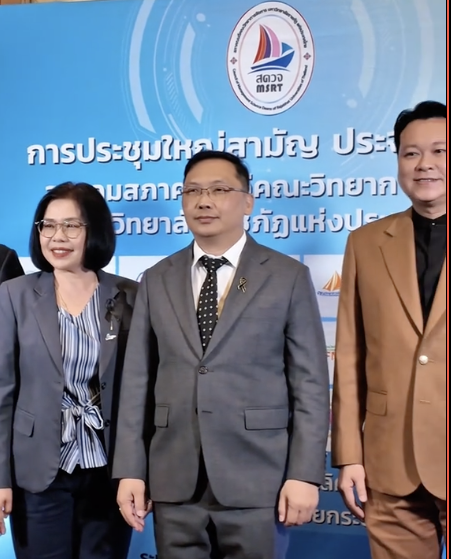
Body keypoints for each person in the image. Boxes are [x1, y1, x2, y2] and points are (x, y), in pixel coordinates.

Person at [113, 150, 330, 559]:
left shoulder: (286, 276)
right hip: (174, 480)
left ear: (247, 202)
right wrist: (130, 469)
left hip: (259, 480)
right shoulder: (157, 278)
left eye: (218, 190)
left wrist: (304, 474)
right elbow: (137, 381)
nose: (204, 201)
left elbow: (311, 385)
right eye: (192, 191)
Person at [332, 101, 446, 559]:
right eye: (410, 153)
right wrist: (349, 455)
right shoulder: (365, 243)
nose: (425, 164)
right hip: (389, 465)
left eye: (440, 151)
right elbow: (349, 355)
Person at [0, 182, 138, 559]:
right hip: (38, 469)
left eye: (71, 226)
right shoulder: (13, 295)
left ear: (96, 231)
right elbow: (3, 393)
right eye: (48, 225)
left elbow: (140, 391)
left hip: (109, 468)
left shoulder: (131, 295)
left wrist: (137, 471)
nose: (57, 237)